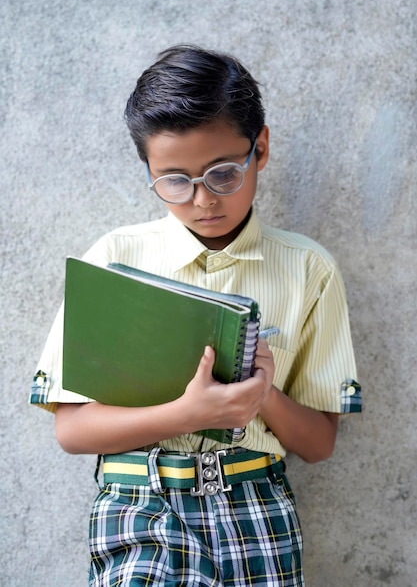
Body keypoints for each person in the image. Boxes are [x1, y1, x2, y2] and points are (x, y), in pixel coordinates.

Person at [30, 45, 361, 587]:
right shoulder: (114, 261)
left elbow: (319, 443)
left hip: (257, 507)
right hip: (140, 503)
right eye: (174, 181)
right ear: (149, 171)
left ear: (262, 148)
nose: (202, 199)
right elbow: (72, 428)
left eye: (224, 173)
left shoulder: (309, 269)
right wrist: (185, 414)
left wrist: (262, 396)